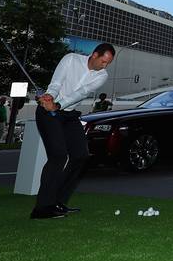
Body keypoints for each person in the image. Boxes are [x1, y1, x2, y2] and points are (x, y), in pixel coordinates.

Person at [31, 43, 115, 220]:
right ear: (94, 55)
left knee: (80, 155)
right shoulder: (70, 59)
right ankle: (42, 208)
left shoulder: (102, 76)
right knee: (58, 156)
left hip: (68, 114)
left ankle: (58, 202)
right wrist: (50, 97)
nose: (104, 66)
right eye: (103, 61)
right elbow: (56, 82)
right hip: (48, 112)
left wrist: (58, 104)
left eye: (108, 63)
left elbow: (80, 93)